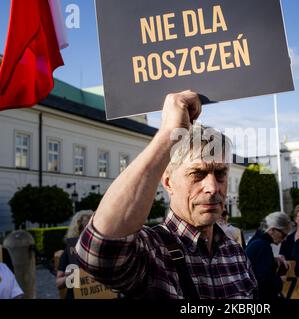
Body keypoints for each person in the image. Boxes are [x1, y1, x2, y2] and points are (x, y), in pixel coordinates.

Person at [75, 91, 257, 299]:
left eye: (220, 173)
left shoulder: (235, 252)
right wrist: (169, 133)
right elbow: (99, 250)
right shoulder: (153, 252)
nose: (213, 187)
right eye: (197, 174)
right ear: (169, 182)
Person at [245, 212, 291, 299]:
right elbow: (263, 283)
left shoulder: (256, 241)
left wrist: (272, 260)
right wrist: (280, 281)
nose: (284, 239)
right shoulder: (263, 246)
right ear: (272, 230)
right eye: (283, 235)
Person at [56, 210, 93, 299]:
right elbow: (58, 283)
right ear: (78, 229)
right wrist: (71, 278)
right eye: (86, 228)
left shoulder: (102, 248)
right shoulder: (70, 251)